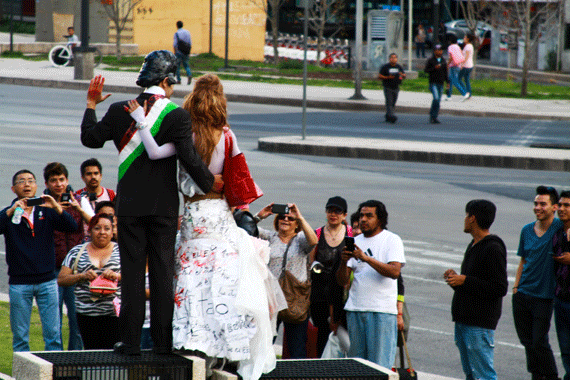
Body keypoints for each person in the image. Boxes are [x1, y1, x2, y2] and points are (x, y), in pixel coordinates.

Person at [129, 73, 279, 380]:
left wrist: (140, 121)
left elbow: (154, 151)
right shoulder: (227, 135)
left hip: (194, 214)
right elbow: (239, 183)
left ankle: (191, 343)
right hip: (220, 216)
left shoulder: (186, 133)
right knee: (221, 282)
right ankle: (221, 350)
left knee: (190, 279)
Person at [80, 50, 221, 356]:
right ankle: (163, 343)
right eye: (173, 83)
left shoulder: (120, 111)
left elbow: (90, 139)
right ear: (167, 80)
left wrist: (91, 104)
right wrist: (212, 185)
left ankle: (130, 342)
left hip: (129, 207)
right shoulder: (177, 115)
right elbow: (190, 159)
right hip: (164, 209)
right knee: (161, 274)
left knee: (131, 275)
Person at [0, 169, 78, 352]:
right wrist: (11, 211)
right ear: (13, 188)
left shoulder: (46, 211)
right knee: (20, 338)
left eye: (30, 180)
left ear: (36, 186)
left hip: (48, 282)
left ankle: (53, 374)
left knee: (53, 337)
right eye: (21, 181)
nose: (26, 184)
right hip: (20, 284)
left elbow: (72, 227)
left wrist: (56, 206)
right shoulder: (9, 214)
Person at [336, 200, 406, 368]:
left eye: (369, 216)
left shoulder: (391, 240)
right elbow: (342, 281)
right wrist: (343, 262)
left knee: (380, 366)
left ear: (380, 219)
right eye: (361, 215)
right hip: (355, 309)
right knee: (357, 366)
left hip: (381, 311)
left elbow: (394, 272)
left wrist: (366, 258)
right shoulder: (355, 240)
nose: (363, 220)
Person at [444, 200, 508, 380]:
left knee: (483, 375)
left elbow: (499, 287)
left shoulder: (492, 248)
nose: (464, 220)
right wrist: (456, 280)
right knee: (471, 374)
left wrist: (465, 281)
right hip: (464, 318)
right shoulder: (473, 245)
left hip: (479, 323)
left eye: (466, 216)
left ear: (473, 219)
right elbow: (474, 282)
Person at [254, 202, 318, 359]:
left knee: (297, 348)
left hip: (295, 300)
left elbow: (314, 241)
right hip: (271, 300)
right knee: (264, 344)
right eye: (282, 217)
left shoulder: (301, 240)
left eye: (291, 218)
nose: (286, 220)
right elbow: (242, 230)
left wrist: (300, 216)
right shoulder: (269, 237)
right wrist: (260, 215)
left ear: (297, 224)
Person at [513, 185, 562, 380]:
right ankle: (536, 375)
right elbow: (523, 261)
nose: (538, 207)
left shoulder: (559, 228)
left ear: (554, 207)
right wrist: (516, 288)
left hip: (544, 296)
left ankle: (551, 376)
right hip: (523, 293)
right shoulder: (526, 230)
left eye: (543, 204)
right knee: (527, 341)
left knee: (539, 341)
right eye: (536, 203)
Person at [44, 162, 90, 351]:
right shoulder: (43, 203)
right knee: (53, 323)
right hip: (52, 267)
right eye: (53, 180)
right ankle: (55, 361)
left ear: (67, 180)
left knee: (76, 321)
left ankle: (75, 360)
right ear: (47, 183)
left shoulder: (78, 199)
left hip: (75, 268)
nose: (58, 184)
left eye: (61, 179)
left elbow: (94, 222)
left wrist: (78, 208)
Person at [58, 213, 121, 349]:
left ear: (112, 231)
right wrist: (82, 276)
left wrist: (117, 276)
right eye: (97, 228)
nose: (102, 232)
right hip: (86, 314)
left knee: (113, 355)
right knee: (91, 353)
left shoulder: (122, 252)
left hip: (114, 314)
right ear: (89, 230)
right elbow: (61, 279)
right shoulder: (76, 251)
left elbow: (135, 278)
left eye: (107, 228)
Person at [308, 196, 352, 357]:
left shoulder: (350, 235)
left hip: (341, 293)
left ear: (344, 215)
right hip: (319, 293)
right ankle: (322, 363)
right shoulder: (317, 234)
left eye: (337, 211)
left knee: (343, 333)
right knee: (322, 332)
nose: (333, 214)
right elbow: (311, 263)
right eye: (330, 210)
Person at [552, 191, 570, 380]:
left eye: (567, 206)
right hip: (561, 298)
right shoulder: (558, 233)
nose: (562, 209)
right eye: (561, 205)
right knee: (565, 348)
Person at [378, 53, 406, 123]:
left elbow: (404, 75)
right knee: (389, 102)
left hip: (396, 87)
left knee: (393, 102)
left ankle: (388, 115)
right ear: (389, 59)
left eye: (395, 58)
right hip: (388, 87)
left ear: (397, 59)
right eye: (392, 58)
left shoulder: (398, 67)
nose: (393, 59)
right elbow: (380, 76)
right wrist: (388, 77)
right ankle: (391, 116)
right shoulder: (385, 67)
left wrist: (402, 75)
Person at [424, 44, 448, 124]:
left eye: (440, 50)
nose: (439, 51)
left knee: (438, 101)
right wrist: (434, 68)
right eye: (437, 50)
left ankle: (434, 116)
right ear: (434, 51)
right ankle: (432, 114)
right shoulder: (431, 60)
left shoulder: (443, 60)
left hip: (441, 83)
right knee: (436, 98)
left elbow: (445, 72)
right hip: (433, 83)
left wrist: (448, 82)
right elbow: (426, 70)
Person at [174, 20, 192, 85]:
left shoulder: (177, 33)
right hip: (186, 51)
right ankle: (189, 74)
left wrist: (175, 51)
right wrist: (189, 51)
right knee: (186, 65)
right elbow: (190, 42)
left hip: (179, 52)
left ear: (177, 26)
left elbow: (175, 44)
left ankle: (178, 80)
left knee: (177, 66)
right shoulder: (187, 32)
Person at [459, 34, 475, 99]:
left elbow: (467, 56)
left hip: (466, 66)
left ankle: (466, 92)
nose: (464, 38)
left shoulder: (468, 46)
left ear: (468, 39)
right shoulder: (470, 46)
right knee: (466, 80)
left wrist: (462, 64)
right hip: (470, 65)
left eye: (465, 37)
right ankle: (469, 94)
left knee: (458, 79)